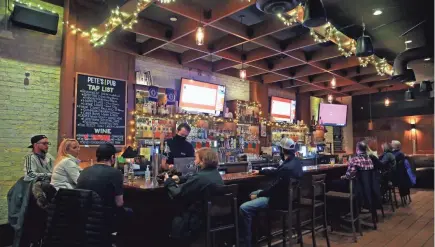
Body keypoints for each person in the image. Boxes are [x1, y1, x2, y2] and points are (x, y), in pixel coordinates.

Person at [239, 138, 303, 247]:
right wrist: (260, 171)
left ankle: (247, 243)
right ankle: (257, 234)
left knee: (244, 208)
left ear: (282, 150)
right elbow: (277, 171)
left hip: (278, 200)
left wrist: (259, 194)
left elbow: (274, 190)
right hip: (289, 198)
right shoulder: (296, 162)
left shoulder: (286, 168)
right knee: (251, 194)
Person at [164, 147, 224, 244]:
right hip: (214, 212)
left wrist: (168, 181)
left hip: (198, 216)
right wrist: (181, 179)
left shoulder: (200, 177)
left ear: (202, 161)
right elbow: (195, 177)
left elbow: (178, 195)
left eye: (196, 158)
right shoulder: (215, 174)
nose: (194, 160)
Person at [77, 143, 123, 208]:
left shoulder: (85, 170)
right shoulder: (115, 173)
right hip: (106, 215)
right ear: (112, 157)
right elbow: (119, 203)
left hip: (84, 214)